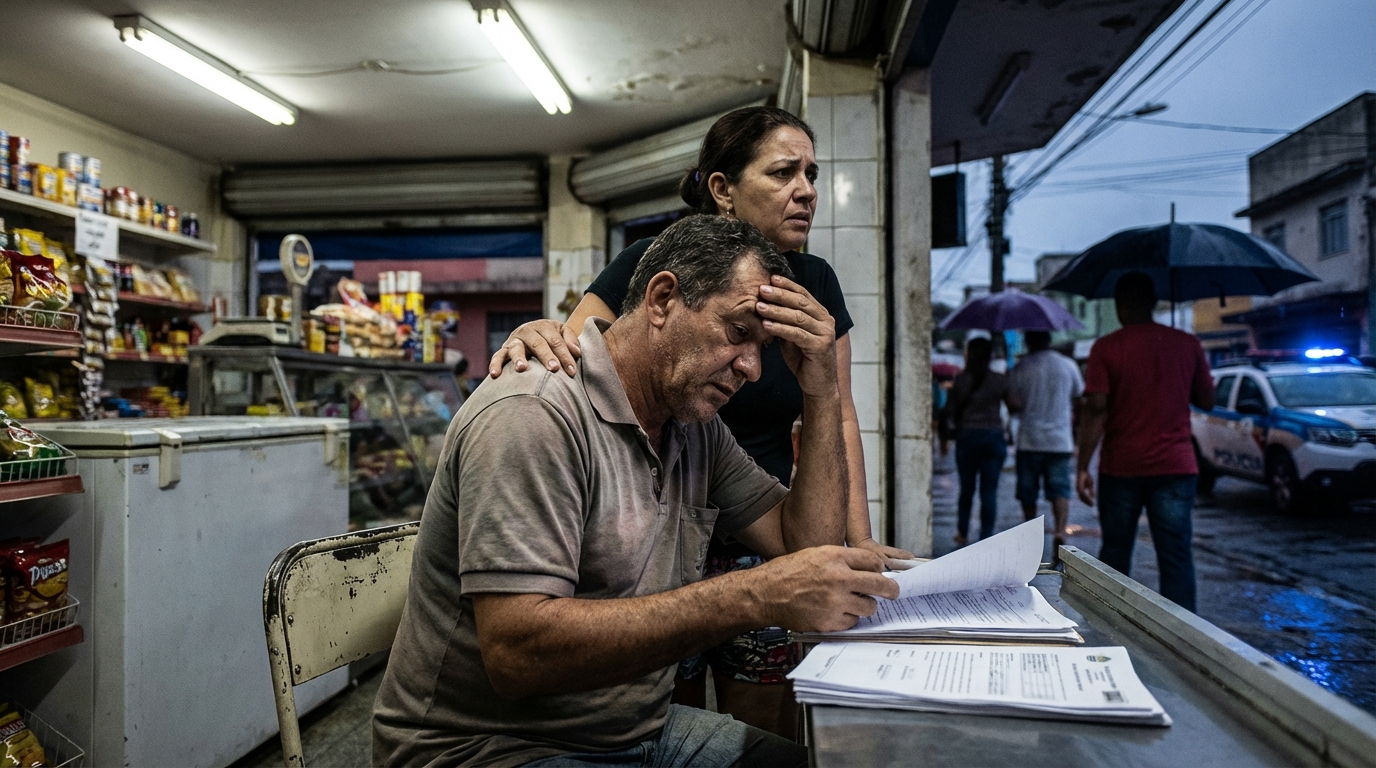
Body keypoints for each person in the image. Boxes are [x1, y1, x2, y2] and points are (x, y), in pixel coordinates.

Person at [371, 215, 899, 767]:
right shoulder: (534, 412)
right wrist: (754, 595)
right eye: (739, 332)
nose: (750, 367)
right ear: (663, 298)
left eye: (762, 348)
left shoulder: (692, 426)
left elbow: (804, 544)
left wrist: (821, 391)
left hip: (629, 732)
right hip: (491, 749)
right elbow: (516, 653)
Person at [486, 105, 911, 737]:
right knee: (652, 693)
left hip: (756, 517)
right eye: (784, 172)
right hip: (651, 525)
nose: (807, 190)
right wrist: (531, 337)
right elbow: (574, 356)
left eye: (813, 174)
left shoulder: (810, 285)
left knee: (764, 722)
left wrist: (854, 537)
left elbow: (837, 405)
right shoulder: (651, 262)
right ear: (723, 189)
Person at [1075, 271, 1215, 612]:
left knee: (1116, 554)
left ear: (1120, 305)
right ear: (1153, 303)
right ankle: (1184, 634)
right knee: (1176, 555)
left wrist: (1082, 466)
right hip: (1176, 466)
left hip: (1122, 467)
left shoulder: (1106, 347)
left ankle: (1110, 623)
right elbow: (1207, 401)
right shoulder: (1188, 344)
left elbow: (1096, 409)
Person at [1008, 330, 1084, 550]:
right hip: (1060, 440)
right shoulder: (1068, 365)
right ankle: (1060, 530)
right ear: (1049, 341)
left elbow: (1013, 402)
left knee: (1028, 491)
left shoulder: (1022, 367)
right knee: (1060, 489)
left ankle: (1031, 533)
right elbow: (1079, 397)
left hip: (1030, 439)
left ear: (1029, 342)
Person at [943, 337, 1013, 544]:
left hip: (967, 436)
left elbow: (952, 411)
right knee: (989, 490)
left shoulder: (961, 380)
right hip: (993, 436)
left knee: (967, 488)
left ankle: (963, 532)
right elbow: (1015, 405)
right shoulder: (999, 380)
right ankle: (986, 535)